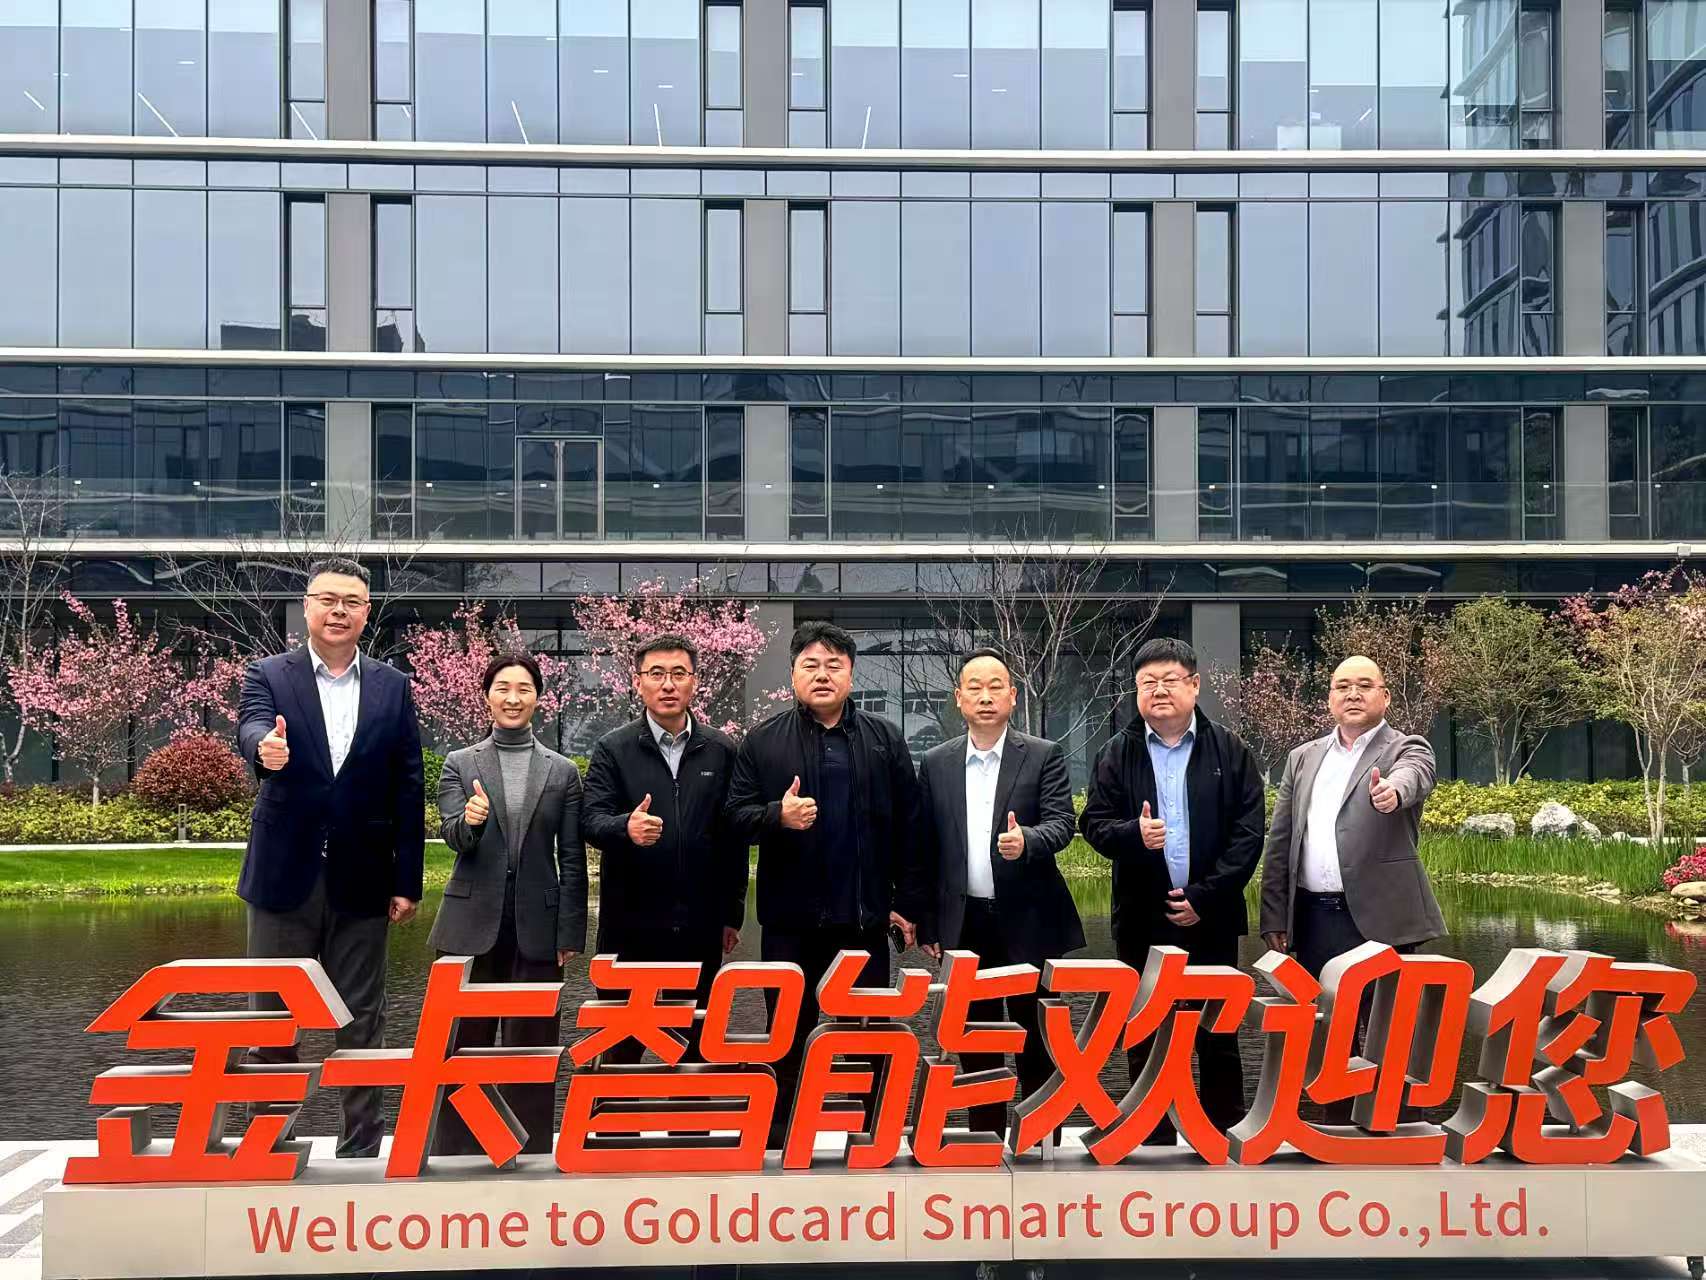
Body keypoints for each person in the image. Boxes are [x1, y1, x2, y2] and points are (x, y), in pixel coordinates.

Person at [236, 557, 424, 1159]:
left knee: (362, 1018)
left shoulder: (393, 686)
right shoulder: (269, 673)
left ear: (367, 612)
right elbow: (251, 726)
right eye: (327, 599)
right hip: (282, 877)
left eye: (351, 601)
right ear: (307, 607)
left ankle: (361, 1148)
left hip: (363, 877)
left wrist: (407, 879)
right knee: (272, 1018)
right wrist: (262, 749)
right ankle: (269, 1146)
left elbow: (408, 786)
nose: (338, 610)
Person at [725, 620, 932, 1145]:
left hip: (862, 924)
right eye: (810, 665)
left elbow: (911, 826)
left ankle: (871, 1142)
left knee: (867, 1040)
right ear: (793, 674)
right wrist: (776, 815)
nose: (822, 675)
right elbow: (733, 819)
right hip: (790, 926)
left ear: (851, 674)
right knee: (786, 1041)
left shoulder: (883, 739)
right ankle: (781, 1145)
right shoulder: (763, 742)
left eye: (833, 665)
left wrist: (908, 902)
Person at [1079, 636, 1265, 1145]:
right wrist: (1132, 835)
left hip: (1211, 917)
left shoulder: (1230, 749)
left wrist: (1206, 896)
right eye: (1147, 682)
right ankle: (1152, 1137)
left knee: (1217, 1032)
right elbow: (1093, 823)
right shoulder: (1117, 752)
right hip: (1143, 918)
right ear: (1136, 691)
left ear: (1195, 685)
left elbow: (1249, 833)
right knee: (1145, 1031)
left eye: (1170, 680)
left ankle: (1223, 1135)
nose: (1159, 691)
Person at [917, 648, 1084, 1141]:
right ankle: (984, 1140)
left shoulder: (1043, 754)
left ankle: (1040, 1142)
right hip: (966, 924)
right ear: (958, 698)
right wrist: (929, 923)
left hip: (1030, 920)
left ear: (1012, 695)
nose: (986, 696)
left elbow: (1062, 823)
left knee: (1038, 1037)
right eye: (975, 687)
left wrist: (1027, 840)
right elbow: (924, 847)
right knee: (976, 1039)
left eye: (996, 687)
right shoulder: (937, 762)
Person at [431, 653, 587, 1155]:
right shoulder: (460, 763)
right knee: (463, 1045)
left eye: (524, 688)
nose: (513, 698)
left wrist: (570, 932)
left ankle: (531, 1150)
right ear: (487, 696)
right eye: (503, 688)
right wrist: (471, 821)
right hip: (468, 925)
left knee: (533, 1046)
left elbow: (572, 857)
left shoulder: (562, 771)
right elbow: (454, 837)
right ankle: (457, 1151)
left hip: (538, 927)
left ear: (538, 698)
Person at [580, 632, 746, 1062]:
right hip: (629, 928)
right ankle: (617, 1110)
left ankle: (689, 1109)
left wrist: (732, 914)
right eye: (656, 674)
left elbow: (732, 837)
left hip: (699, 928)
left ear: (695, 682)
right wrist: (625, 826)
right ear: (638, 683)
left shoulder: (721, 750)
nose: (668, 684)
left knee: (695, 1051)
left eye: (678, 674)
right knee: (621, 1053)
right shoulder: (613, 749)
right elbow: (590, 820)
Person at [1259, 654, 1445, 978]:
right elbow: (1281, 841)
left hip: (1381, 923)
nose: (1353, 695)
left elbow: (1414, 773)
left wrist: (1393, 791)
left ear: (1386, 696)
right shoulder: (1302, 757)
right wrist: (1274, 916)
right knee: (1320, 1011)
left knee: (1380, 1012)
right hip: (1312, 919)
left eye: (1365, 686)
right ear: (1330, 698)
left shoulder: (1407, 748)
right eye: (1343, 687)